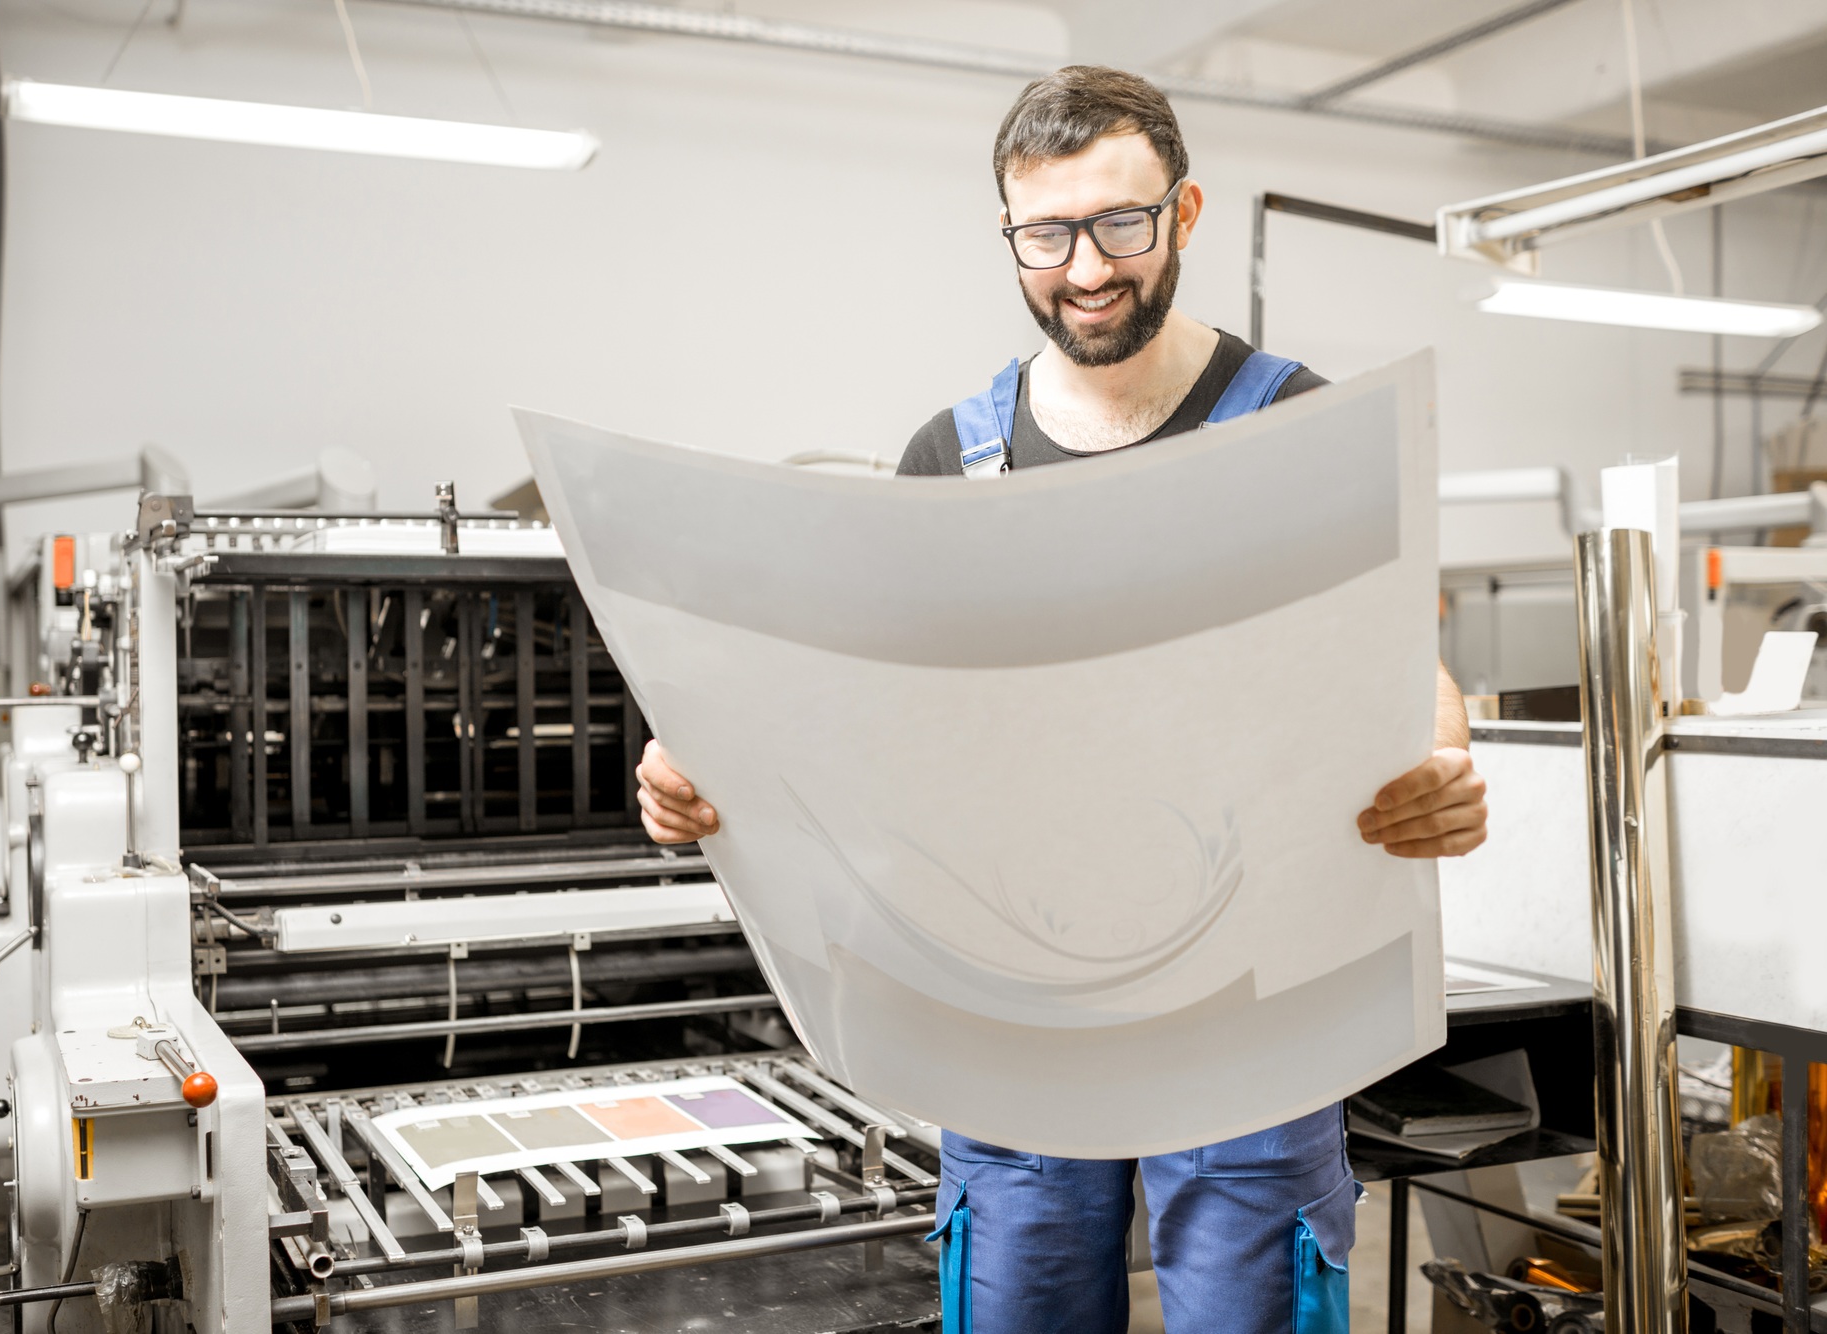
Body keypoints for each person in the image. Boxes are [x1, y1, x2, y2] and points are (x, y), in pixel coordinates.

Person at [635, 65, 1488, 1334]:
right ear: (1007, 232)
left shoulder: (1294, 425)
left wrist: (1442, 758)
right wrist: (706, 767)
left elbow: (1392, 666)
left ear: (1184, 213)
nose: (1084, 267)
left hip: (1244, 994)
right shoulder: (947, 457)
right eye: (1045, 232)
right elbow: (866, 712)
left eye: (1118, 223)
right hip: (1012, 998)